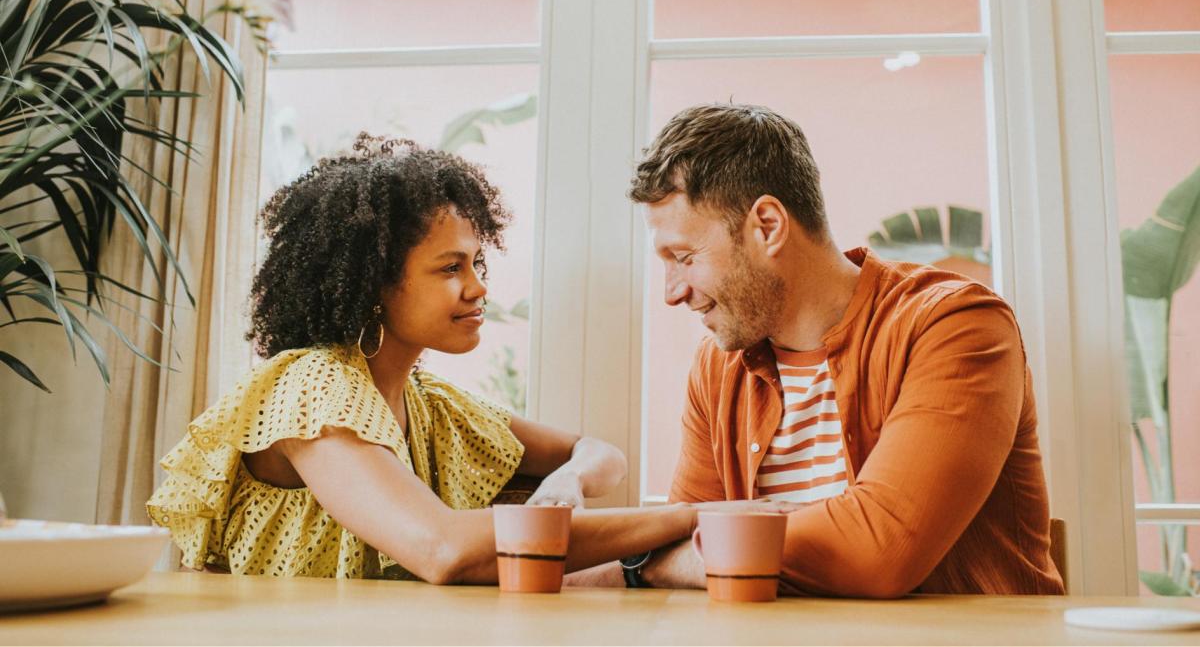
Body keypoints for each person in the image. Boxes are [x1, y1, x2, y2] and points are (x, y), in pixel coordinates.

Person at [146, 134, 789, 583]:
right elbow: (444, 550)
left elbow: (601, 453)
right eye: (450, 268)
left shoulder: (431, 406)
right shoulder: (315, 387)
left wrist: (569, 481)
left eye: (477, 262)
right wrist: (693, 516)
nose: (478, 287)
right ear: (374, 283)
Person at [570, 103, 1065, 597]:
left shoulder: (954, 325)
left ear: (768, 225)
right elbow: (676, 545)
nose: (672, 292)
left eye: (683, 257)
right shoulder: (718, 366)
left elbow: (877, 551)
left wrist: (655, 565)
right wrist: (662, 560)